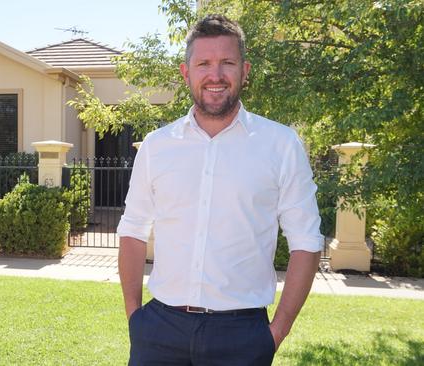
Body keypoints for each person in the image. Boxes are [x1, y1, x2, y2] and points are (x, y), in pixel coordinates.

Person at [116, 14, 324, 366]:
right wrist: (136, 317)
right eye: (204, 64)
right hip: (159, 331)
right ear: (187, 73)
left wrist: (274, 334)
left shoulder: (281, 145)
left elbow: (306, 242)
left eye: (227, 63)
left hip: (242, 336)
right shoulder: (157, 146)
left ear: (245, 70)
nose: (215, 75)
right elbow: (133, 230)